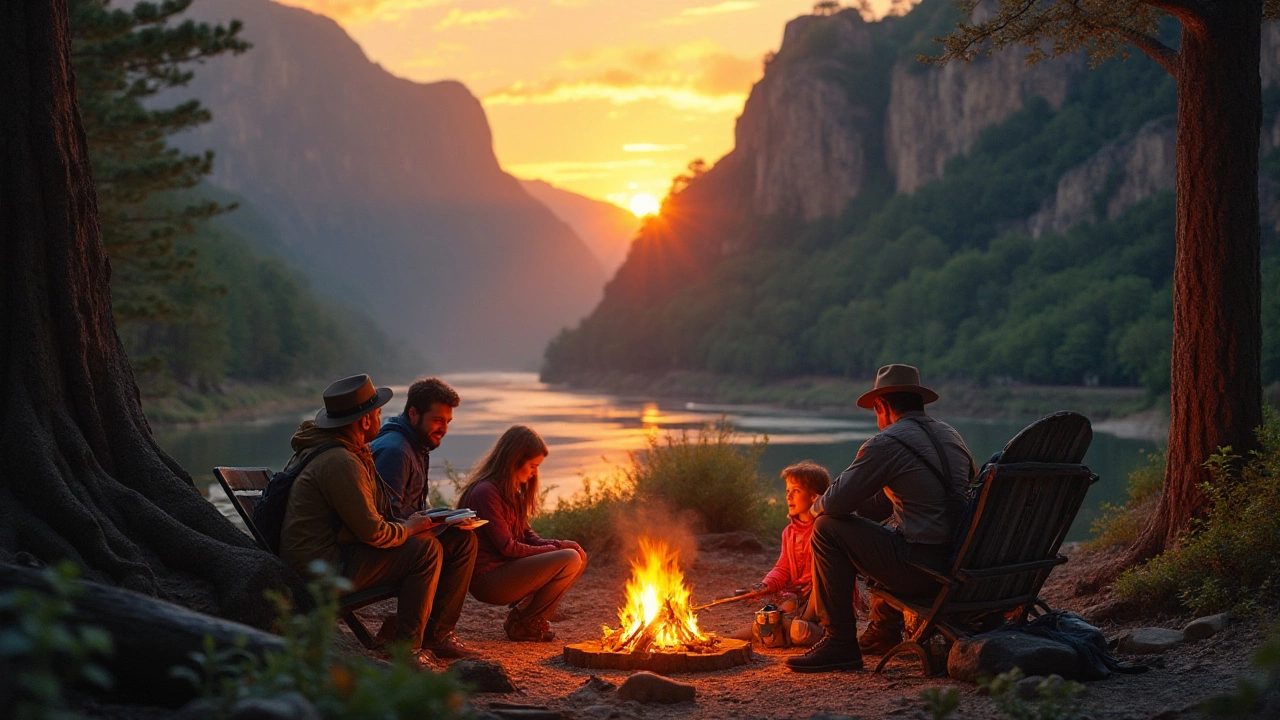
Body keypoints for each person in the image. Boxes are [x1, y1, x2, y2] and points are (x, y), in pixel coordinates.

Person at [786, 364, 976, 673]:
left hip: (925, 571)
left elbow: (831, 505)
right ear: (918, 401)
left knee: (825, 529)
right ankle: (884, 631)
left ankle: (840, 642)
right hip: (962, 562)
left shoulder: (888, 442)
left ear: (882, 406)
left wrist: (820, 505)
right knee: (890, 528)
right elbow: (933, 500)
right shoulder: (951, 435)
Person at [278, 374, 457, 669]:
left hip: (325, 557)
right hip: (322, 571)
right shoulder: (341, 461)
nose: (381, 418)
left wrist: (411, 524)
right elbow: (373, 531)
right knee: (425, 551)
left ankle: (417, 636)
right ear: (364, 421)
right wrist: (410, 528)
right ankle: (407, 651)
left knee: (425, 542)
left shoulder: (340, 452)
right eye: (378, 413)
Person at [369, 377, 478, 659]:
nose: (443, 429)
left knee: (464, 539)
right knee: (430, 548)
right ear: (414, 413)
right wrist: (433, 523)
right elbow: (387, 517)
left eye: (448, 422)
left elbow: (409, 509)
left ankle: (438, 634)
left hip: (400, 537)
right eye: (437, 420)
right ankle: (409, 645)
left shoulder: (415, 444)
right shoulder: (395, 450)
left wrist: (445, 521)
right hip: (376, 549)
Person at [456, 425, 587, 642]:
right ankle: (526, 621)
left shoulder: (511, 491)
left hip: (506, 571)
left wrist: (560, 543)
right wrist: (556, 549)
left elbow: (527, 535)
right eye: (533, 466)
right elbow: (508, 547)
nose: (535, 472)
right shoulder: (486, 492)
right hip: (489, 580)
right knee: (570, 559)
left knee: (575, 555)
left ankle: (525, 621)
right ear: (514, 460)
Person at [730, 461, 831, 648]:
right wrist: (765, 584)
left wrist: (805, 611)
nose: (789, 497)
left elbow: (826, 579)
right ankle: (777, 630)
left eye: (796, 491)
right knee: (769, 619)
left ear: (814, 497)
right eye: (787, 491)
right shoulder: (789, 533)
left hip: (822, 601)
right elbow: (783, 567)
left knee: (796, 629)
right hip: (796, 597)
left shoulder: (825, 529)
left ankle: (803, 631)